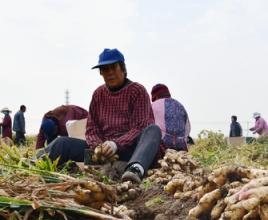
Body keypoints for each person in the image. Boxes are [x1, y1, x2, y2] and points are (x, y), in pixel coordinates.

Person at [39, 48, 165, 183]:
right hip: (102, 155)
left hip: (131, 151)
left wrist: (115, 144)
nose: (110, 72)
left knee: (153, 129)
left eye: (114, 67)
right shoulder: (98, 94)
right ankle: (32, 165)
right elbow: (92, 128)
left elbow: (140, 126)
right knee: (61, 142)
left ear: (123, 68)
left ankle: (134, 170)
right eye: (105, 69)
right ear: (101, 73)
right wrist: (99, 147)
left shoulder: (137, 91)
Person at [151, 84, 191, 150]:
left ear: (156, 96)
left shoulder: (153, 105)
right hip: (181, 147)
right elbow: (187, 129)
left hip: (162, 147)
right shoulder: (180, 105)